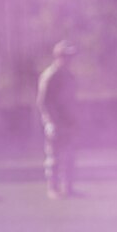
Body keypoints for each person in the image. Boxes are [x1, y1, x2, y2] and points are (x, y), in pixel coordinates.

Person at [35, 41, 80, 198]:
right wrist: (50, 121)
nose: (69, 59)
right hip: (55, 122)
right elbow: (43, 101)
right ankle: (53, 188)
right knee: (54, 156)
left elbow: (72, 100)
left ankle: (68, 187)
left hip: (68, 122)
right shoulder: (50, 76)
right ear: (59, 56)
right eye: (66, 56)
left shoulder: (70, 76)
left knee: (69, 155)